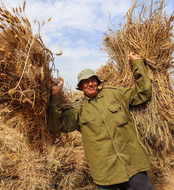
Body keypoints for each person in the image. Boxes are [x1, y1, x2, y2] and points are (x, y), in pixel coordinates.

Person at [48, 52, 154, 190]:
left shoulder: (115, 94)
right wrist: (55, 95)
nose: (90, 84)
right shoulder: (78, 109)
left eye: (92, 80)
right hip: (106, 174)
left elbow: (143, 93)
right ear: (80, 87)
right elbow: (56, 125)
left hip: (132, 165)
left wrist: (137, 63)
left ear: (98, 82)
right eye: (85, 82)